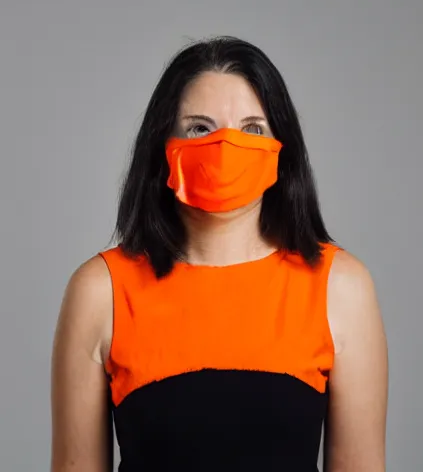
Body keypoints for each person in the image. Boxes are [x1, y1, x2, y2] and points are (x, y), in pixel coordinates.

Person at [51, 36, 388, 471]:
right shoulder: (101, 292)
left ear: (281, 149)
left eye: (252, 128)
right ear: (163, 146)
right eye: (199, 127)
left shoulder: (340, 288)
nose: (227, 146)